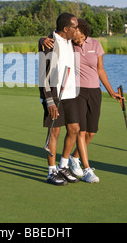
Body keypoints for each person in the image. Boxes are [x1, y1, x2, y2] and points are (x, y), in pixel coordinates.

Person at [41, 18, 122, 183]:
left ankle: (68, 162)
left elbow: (99, 69)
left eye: (79, 33)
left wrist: (111, 91)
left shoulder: (83, 44)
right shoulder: (60, 43)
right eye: (74, 31)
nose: (78, 37)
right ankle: (66, 170)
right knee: (65, 131)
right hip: (65, 92)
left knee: (83, 130)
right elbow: (45, 69)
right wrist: (42, 39)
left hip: (82, 91)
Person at [39, 12, 81, 186]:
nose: (77, 31)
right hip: (54, 93)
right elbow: (43, 74)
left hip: (70, 93)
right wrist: (49, 101)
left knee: (74, 129)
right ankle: (51, 171)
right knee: (54, 132)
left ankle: (63, 166)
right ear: (66, 29)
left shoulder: (70, 41)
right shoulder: (49, 43)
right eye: (74, 27)